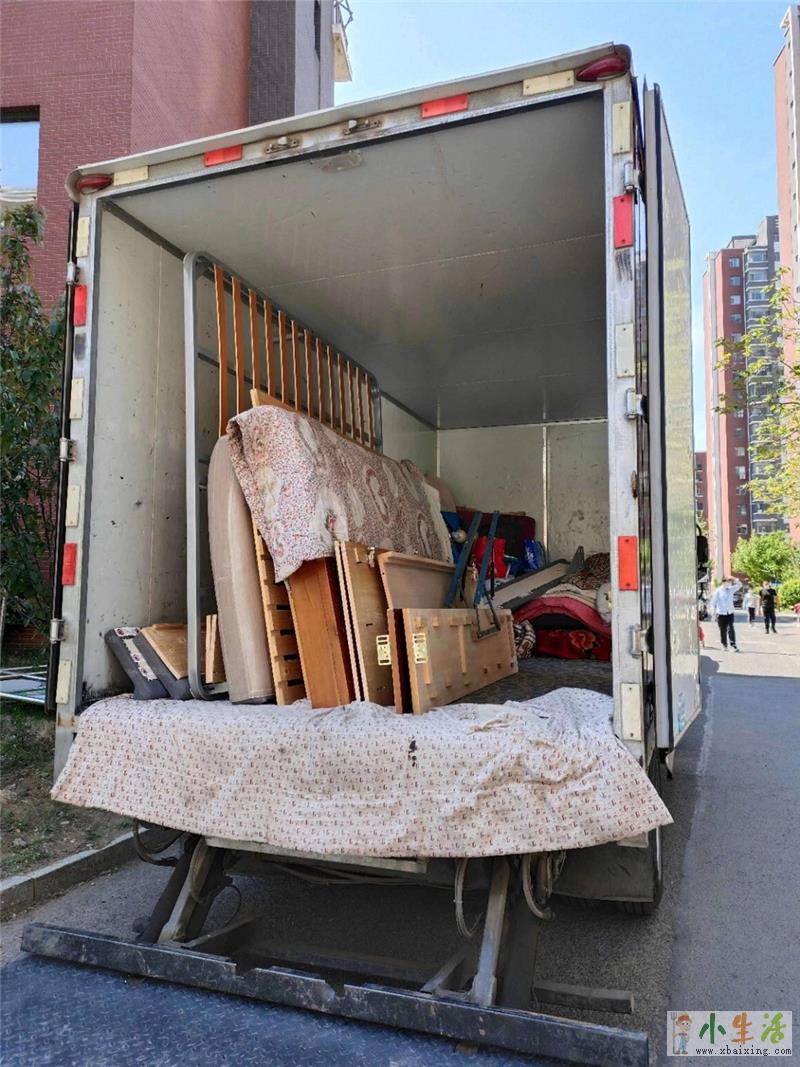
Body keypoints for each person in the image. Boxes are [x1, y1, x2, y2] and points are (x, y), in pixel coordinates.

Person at [709, 576, 742, 651]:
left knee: (731, 628)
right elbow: (713, 603)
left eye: (730, 583)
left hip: (730, 612)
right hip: (721, 613)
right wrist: (713, 612)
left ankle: (733, 644)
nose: (729, 584)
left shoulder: (731, 589)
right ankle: (724, 644)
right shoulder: (718, 591)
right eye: (728, 582)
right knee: (722, 629)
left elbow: (739, 585)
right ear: (723, 582)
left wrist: (734, 579)